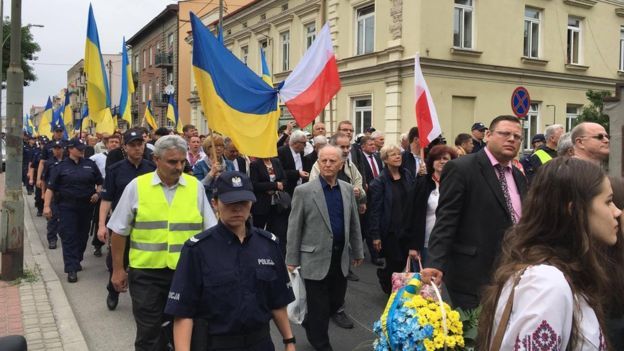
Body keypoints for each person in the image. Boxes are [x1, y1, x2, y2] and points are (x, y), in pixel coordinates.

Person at [477, 157, 621, 350]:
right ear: (574, 210)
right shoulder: (546, 283)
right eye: (608, 202)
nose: (617, 212)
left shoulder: (561, 274)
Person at [107, 135, 217, 351]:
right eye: (172, 162)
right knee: (149, 332)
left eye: (182, 162)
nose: (179, 167)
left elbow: (210, 232)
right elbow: (119, 232)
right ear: (156, 159)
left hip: (186, 274)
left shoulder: (195, 187)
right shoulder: (137, 187)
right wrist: (118, 270)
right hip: (147, 274)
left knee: (185, 331)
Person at [165, 172, 296, 351]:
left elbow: (277, 301)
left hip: (260, 343)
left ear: (252, 203)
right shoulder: (197, 250)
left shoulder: (268, 245)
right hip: (217, 344)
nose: (237, 209)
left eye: (243, 202)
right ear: (215, 203)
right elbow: (183, 312)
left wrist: (289, 341)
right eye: (230, 203)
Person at [422, 115, 528, 309]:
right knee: (473, 336)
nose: (512, 139)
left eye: (517, 136)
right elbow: (446, 219)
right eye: (505, 133)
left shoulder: (519, 176)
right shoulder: (461, 168)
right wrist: (435, 263)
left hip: (512, 272)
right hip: (472, 275)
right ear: (488, 135)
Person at [286, 145, 364, 351]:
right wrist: (291, 259)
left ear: (340, 164)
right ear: (318, 163)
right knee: (319, 307)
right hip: (313, 259)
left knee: (335, 302)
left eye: (332, 161)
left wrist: (357, 250)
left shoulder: (347, 189)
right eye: (324, 161)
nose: (328, 164)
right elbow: (294, 227)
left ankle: (310, 323)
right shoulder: (303, 191)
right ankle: (321, 343)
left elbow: (354, 222)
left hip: (340, 257)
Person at [97, 129, 156, 311]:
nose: (137, 148)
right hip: (122, 224)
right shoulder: (115, 170)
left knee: (143, 263)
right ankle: (113, 291)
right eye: (133, 145)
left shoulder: (152, 169)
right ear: (125, 147)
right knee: (118, 260)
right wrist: (101, 226)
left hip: (147, 224)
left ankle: (143, 298)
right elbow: (106, 199)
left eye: (140, 144)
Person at [43, 138, 103, 283]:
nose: (82, 150)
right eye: (79, 148)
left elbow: (100, 183)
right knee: (69, 236)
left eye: (83, 148)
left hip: (86, 206)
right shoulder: (60, 167)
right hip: (67, 207)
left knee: (82, 237)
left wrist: (97, 193)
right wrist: (46, 206)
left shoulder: (90, 165)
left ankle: (77, 259)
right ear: (70, 149)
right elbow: (50, 188)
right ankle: (71, 268)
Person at [368, 145, 416, 294]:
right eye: (393, 155)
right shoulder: (379, 182)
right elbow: (374, 211)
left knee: (404, 260)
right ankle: (389, 289)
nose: (397, 157)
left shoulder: (407, 174)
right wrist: (375, 236)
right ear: (385, 160)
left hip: (407, 227)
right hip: (390, 230)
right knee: (395, 261)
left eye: (399, 154)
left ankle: (387, 275)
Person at [404, 145, 457, 268]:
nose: (442, 161)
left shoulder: (457, 184)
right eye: (438, 158)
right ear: (431, 162)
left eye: (446, 158)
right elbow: (411, 215)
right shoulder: (422, 184)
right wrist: (413, 246)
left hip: (450, 245)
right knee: (426, 285)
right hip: (425, 244)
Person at [90, 134, 121, 257]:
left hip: (118, 190)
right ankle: (98, 244)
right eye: (111, 142)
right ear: (107, 144)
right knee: (100, 218)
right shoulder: (98, 157)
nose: (114, 144)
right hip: (104, 189)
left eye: (116, 142)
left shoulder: (123, 158)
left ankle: (113, 245)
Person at [250, 156, 289, 255]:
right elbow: (254, 184)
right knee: (258, 230)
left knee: (277, 230)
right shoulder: (255, 165)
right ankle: (257, 253)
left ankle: (275, 253)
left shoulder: (276, 162)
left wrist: (279, 186)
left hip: (277, 204)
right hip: (261, 204)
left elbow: (284, 179)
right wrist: (274, 185)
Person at [193, 135, 235, 201]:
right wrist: (211, 173)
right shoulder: (199, 165)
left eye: (221, 146)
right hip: (208, 202)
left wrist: (223, 178)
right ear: (207, 148)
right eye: (215, 146)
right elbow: (198, 188)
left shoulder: (229, 164)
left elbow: (234, 183)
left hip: (226, 201)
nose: (219, 148)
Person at [40, 140, 64, 249]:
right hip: (52, 193)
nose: (57, 150)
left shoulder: (67, 162)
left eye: (59, 148)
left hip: (64, 194)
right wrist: (43, 194)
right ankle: (52, 239)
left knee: (64, 217)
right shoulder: (48, 163)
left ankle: (64, 236)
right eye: (55, 148)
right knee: (52, 218)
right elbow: (44, 180)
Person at [277, 130, 308, 196]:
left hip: (301, 189)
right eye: (304, 143)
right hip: (288, 191)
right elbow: (280, 172)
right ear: (295, 143)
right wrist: (297, 173)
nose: (305, 145)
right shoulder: (282, 151)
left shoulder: (301, 153)